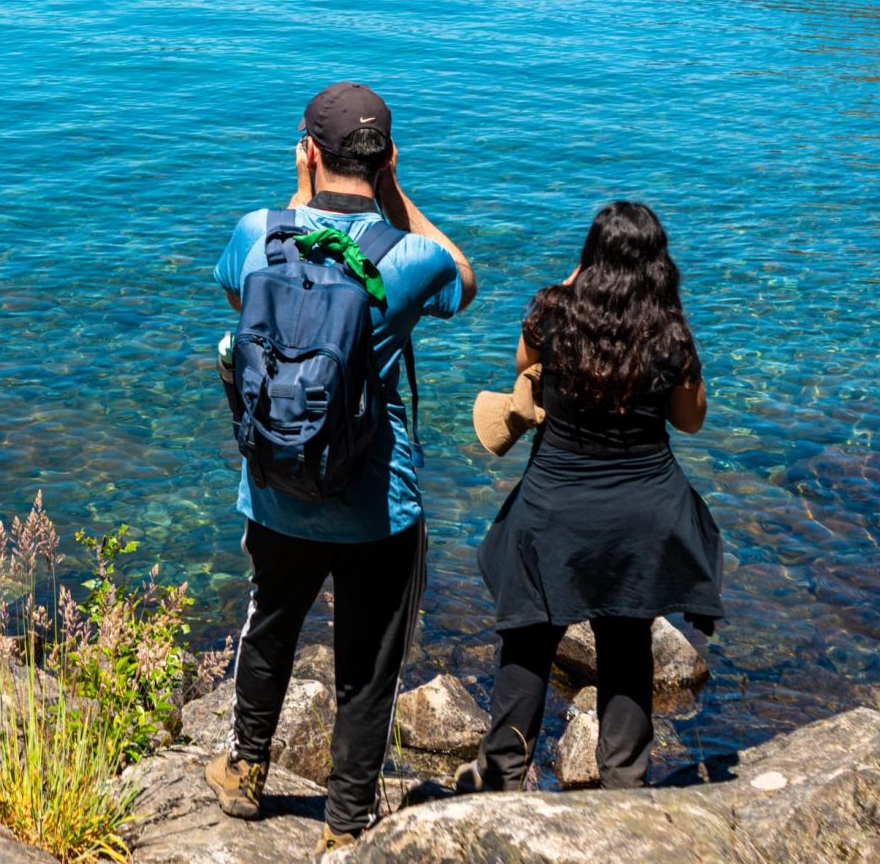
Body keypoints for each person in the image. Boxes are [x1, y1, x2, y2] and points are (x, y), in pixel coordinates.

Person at [206, 82, 477, 850]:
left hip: (275, 487)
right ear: (386, 156)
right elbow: (466, 278)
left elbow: (243, 296)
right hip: (376, 503)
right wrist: (397, 195)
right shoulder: (409, 256)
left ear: (309, 149)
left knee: (270, 628)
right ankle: (346, 822)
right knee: (367, 660)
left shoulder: (258, 231)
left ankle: (245, 772)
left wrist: (298, 196)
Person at [463, 200, 722, 793]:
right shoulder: (670, 335)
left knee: (528, 638)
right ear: (658, 266)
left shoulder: (552, 317)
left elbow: (523, 366)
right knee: (626, 642)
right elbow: (691, 422)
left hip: (555, 507)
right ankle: (625, 784)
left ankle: (501, 780)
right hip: (642, 513)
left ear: (588, 258)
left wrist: (567, 284)